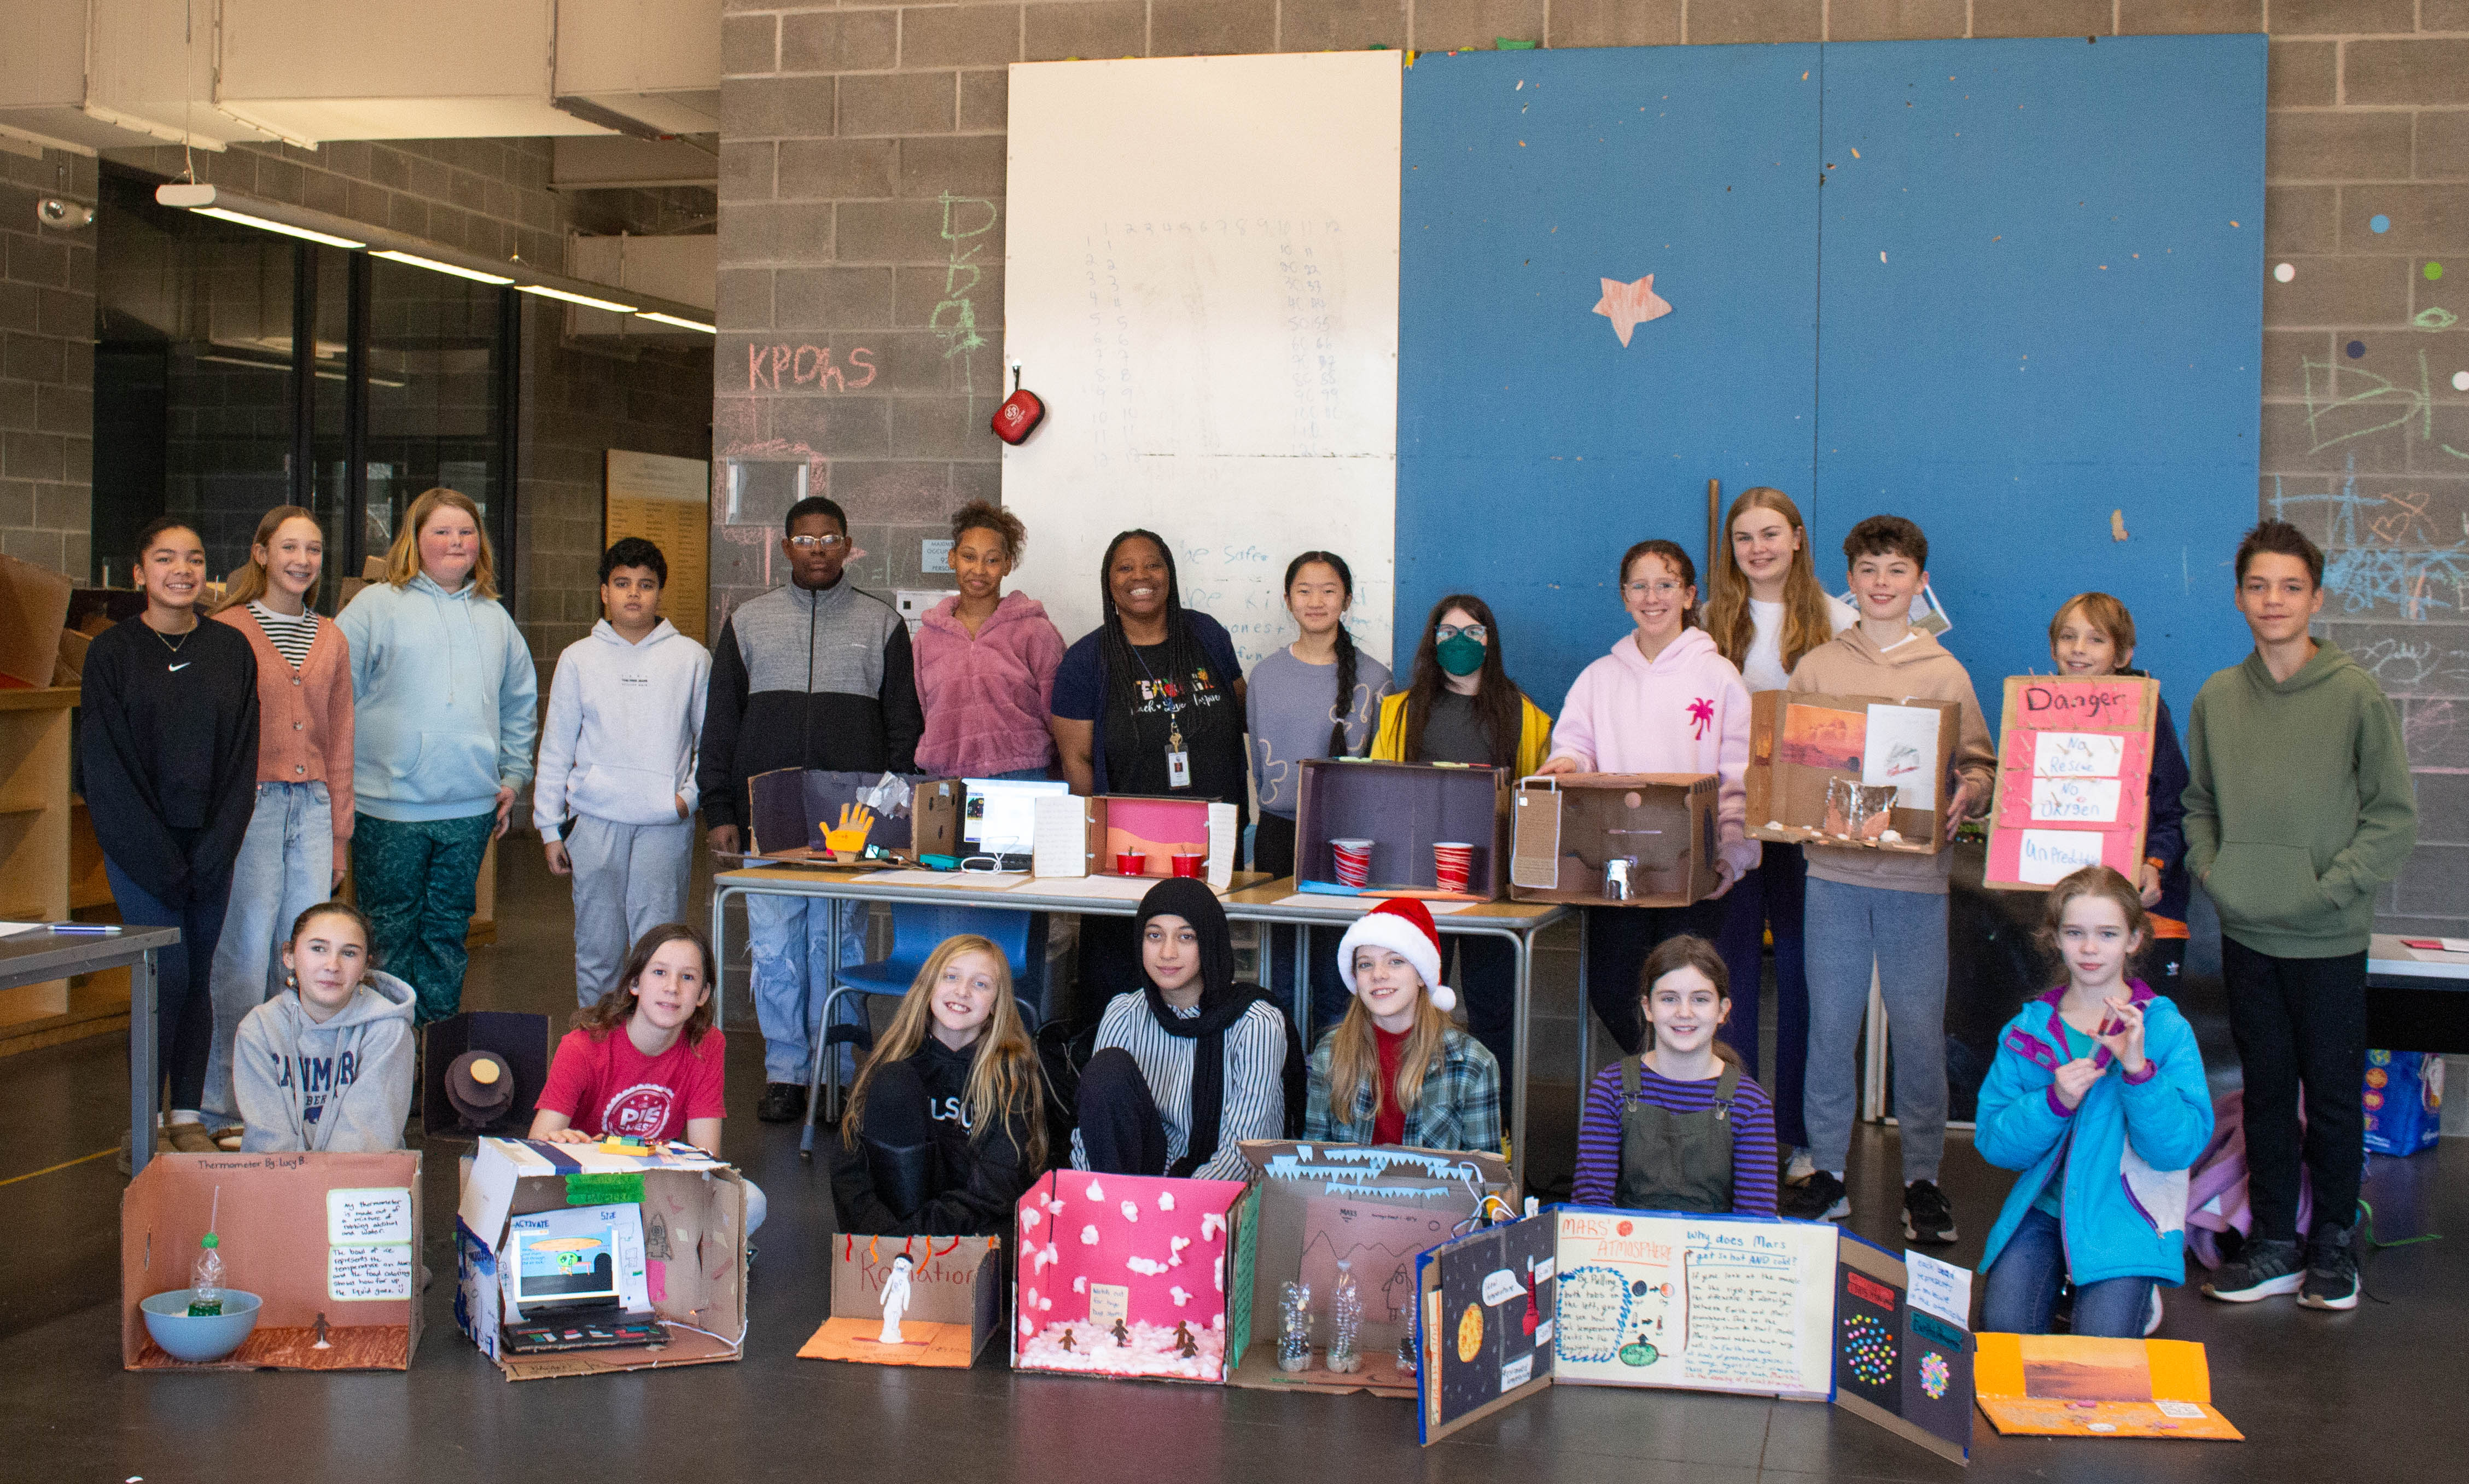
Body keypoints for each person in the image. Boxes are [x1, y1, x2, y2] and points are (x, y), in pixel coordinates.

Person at [2188, 521, 2416, 1311]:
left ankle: (2331, 1253)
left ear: (2315, 598)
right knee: (2263, 1093)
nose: (2272, 601)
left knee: (2329, 1096)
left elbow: (2392, 816)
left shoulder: (2354, 694)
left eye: (2289, 587)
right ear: (2239, 597)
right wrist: (2213, 870)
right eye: (2257, 586)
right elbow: (2199, 806)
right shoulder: (2217, 696)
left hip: (2326, 936)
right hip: (2249, 930)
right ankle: (2274, 1244)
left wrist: (2331, 888)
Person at [1777, 515, 1993, 1242]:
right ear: (1851, 579)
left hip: (1914, 881)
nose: (1880, 584)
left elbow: (1978, 763)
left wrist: (1970, 789)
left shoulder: (1944, 672)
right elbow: (1788, 767)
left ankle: (1923, 1179)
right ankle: (1827, 1171)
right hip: (1833, 873)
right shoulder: (1816, 668)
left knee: (1919, 1033)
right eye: (1867, 570)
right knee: (1830, 1028)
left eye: (1895, 571)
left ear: (1919, 582)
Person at [698, 493, 923, 1123]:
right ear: (786, 546)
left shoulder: (882, 624)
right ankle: (786, 1071)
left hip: (847, 820)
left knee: (838, 942)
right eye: (805, 539)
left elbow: (904, 729)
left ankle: (839, 1068)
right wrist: (719, 806)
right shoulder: (748, 621)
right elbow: (720, 725)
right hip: (766, 813)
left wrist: (888, 810)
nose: (818, 549)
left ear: (848, 545)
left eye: (830, 539)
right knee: (775, 947)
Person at [1540, 539, 1758, 1058]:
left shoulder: (1719, 676)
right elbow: (1576, 745)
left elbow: (1738, 774)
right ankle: (1658, 1081)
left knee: (1688, 997)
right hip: (1615, 871)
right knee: (1614, 990)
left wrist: (1732, 849)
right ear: (1623, 596)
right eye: (1639, 585)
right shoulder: (1600, 677)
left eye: (1665, 585)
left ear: (1689, 595)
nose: (1652, 596)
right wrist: (1566, 764)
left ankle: (1686, 1107)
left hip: (1694, 877)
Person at [81, 517, 259, 1155]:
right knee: (167, 976)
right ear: (140, 573)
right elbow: (105, 767)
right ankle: (143, 1124)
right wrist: (162, 859)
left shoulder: (230, 650)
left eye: (193, 558)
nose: (180, 570)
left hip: (210, 847)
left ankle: (184, 1116)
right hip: (141, 851)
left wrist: (215, 848)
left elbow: (242, 759)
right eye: (165, 558)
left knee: (200, 973)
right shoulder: (111, 654)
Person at [1975, 868, 2212, 1337]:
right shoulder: (2028, 1031)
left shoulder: (2165, 1029)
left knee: (2100, 1353)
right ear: (2055, 939)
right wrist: (2054, 1101)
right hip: (2046, 1208)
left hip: (2125, 1214)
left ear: (2134, 940)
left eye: (2107, 934)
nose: (2089, 948)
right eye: (2075, 933)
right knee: (2002, 1333)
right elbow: (1996, 1145)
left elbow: (2178, 1148)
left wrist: (2140, 1072)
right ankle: (2083, 1283)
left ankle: (2133, 1295)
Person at [337, 487, 538, 1026]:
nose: (456, 542)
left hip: (467, 810)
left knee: (447, 935)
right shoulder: (374, 608)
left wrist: (514, 777)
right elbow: (333, 696)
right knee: (389, 935)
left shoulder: (494, 617)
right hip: (389, 809)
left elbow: (520, 700)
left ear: (480, 543)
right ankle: (390, 1053)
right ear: (415, 540)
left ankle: (435, 1053)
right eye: (441, 531)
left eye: (466, 531)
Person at [1703, 487, 1855, 1184]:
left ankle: (1796, 1134)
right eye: (1742, 537)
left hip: (1808, 831)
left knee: (1802, 977)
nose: (1756, 548)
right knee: (1725, 974)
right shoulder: (1705, 625)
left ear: (1797, 537)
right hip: (1731, 821)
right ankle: (1732, 1127)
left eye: (1769, 534)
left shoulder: (1841, 620)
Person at [203, 505, 354, 1139]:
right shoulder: (227, 629)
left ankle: (295, 1097)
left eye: (314, 549)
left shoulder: (332, 636)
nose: (303, 560)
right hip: (252, 806)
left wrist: (340, 831)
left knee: (304, 956)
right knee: (243, 955)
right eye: (289, 547)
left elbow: (342, 734)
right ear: (261, 553)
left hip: (315, 806)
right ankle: (222, 1102)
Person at [1050, 530, 1247, 1000]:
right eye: (1125, 567)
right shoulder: (1086, 660)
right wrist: (1093, 855)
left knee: (1204, 975)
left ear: (1170, 574)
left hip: (1210, 846)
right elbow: (1077, 763)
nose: (1141, 576)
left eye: (1153, 564)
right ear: (1108, 581)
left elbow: (1238, 714)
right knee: (1125, 978)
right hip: (1129, 856)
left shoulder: (1207, 635)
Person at [1368, 593, 1553, 1092]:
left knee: (1495, 1008)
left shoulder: (1527, 716)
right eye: (1447, 633)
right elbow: (1380, 791)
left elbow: (1535, 806)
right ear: (1432, 642)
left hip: (1493, 891)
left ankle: (1498, 1134)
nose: (1460, 643)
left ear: (1491, 642)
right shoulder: (1400, 712)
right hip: (1415, 882)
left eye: (1473, 633)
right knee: (1412, 1002)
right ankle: (1411, 1111)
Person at [535, 537, 712, 1008]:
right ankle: (598, 1049)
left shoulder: (691, 657)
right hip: (595, 822)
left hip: (663, 824)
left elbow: (708, 741)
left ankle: (651, 1050)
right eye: (622, 583)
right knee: (598, 945)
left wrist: (686, 799)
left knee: (657, 949)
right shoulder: (578, 658)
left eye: (646, 585)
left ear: (660, 593)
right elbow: (556, 746)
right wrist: (549, 827)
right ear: (604, 593)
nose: (634, 594)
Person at [531, 923, 767, 1233]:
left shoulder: (707, 1044)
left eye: (688, 977)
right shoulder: (582, 1046)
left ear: (703, 994)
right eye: (659, 973)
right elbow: (537, 1144)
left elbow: (706, 1157)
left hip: (656, 1184)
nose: (673, 987)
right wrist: (564, 1142)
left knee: (752, 1200)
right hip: (590, 1186)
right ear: (635, 983)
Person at [1248, 551, 1393, 1037]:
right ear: (1287, 600)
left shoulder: (1376, 679)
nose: (1316, 600)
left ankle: (1334, 1090)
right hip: (1277, 835)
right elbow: (1258, 767)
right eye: (1304, 590)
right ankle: (1281, 1085)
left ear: (1347, 599)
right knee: (1281, 974)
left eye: (1329, 590)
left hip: (1346, 842)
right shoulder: (1264, 676)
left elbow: (1384, 770)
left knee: (1339, 976)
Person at [1073, 878, 1298, 1180]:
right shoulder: (1124, 1012)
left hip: (1223, 1189)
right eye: (1154, 936)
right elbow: (1093, 1130)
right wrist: (1097, 1193)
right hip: (1141, 1184)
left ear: (1209, 943)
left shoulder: (1255, 1023)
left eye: (1186, 937)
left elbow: (1243, 1154)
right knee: (1106, 1073)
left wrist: (1175, 1208)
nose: (1167, 953)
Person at [832, 934, 1046, 1236]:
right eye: (951, 977)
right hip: (889, 1231)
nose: (962, 991)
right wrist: (879, 1228)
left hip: (964, 1234)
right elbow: (849, 1161)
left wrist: (915, 1235)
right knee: (894, 1082)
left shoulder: (1008, 1076)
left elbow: (997, 1187)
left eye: (980, 984)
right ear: (929, 986)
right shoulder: (895, 1057)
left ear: (997, 1005)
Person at [1571, 935, 1779, 1216]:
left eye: (1701, 999)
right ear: (1648, 1008)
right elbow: (1589, 1208)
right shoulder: (1611, 1088)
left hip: (1717, 1255)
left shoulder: (1750, 1102)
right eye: (1669, 999)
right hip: (1627, 1252)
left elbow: (1756, 1221)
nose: (1685, 1013)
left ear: (1723, 1010)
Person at [2047, 592, 2192, 983]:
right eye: (2068, 637)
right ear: (2053, 647)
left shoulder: (2147, 710)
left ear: (2123, 654)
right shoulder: (2034, 710)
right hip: (2073, 912)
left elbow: (2177, 806)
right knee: (2074, 1029)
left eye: (2096, 639)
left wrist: (2154, 862)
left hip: (2143, 912)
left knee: (2141, 1030)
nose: (2078, 650)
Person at [1304, 898, 1500, 1153]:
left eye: (1396, 961)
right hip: (1347, 1194)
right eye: (1366, 964)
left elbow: (1485, 1180)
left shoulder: (1473, 1063)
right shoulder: (1330, 1053)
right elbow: (1310, 1161)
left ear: (1422, 975)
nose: (1378, 975)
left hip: (1437, 1194)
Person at [233, 903, 415, 1153]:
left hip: (357, 1183)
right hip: (280, 1181)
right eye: (318, 948)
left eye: (349, 953)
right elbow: (269, 1143)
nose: (332, 965)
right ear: (289, 956)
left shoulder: (388, 1028)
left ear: (365, 967)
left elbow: (366, 1140)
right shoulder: (258, 1030)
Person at [913, 499, 1065, 781]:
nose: (980, 570)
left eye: (992, 559)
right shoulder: (927, 638)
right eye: (969, 557)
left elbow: (1060, 716)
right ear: (952, 558)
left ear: (1008, 564)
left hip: (1024, 775)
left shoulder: (1035, 632)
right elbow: (925, 711)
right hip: (948, 780)